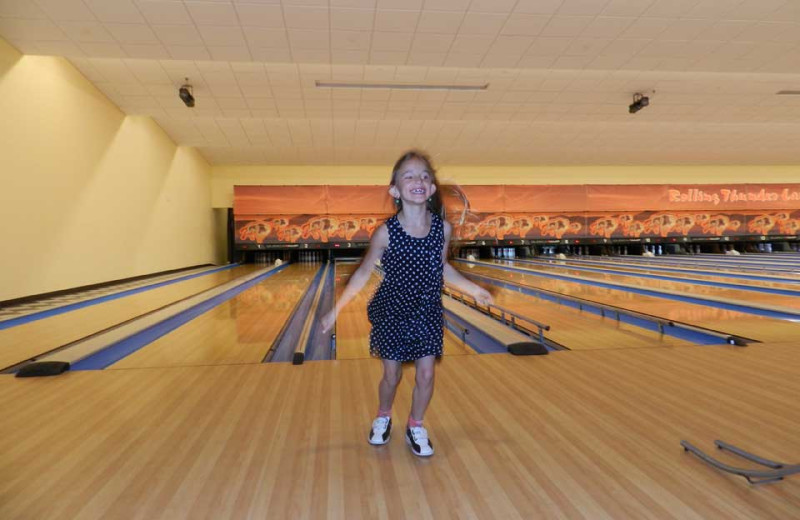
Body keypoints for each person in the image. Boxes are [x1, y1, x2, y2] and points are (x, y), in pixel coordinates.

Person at [321, 150, 493, 457]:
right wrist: (337, 309)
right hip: (392, 311)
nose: (419, 180)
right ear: (395, 190)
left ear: (430, 189)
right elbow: (363, 273)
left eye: (425, 176)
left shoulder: (443, 229)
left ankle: (416, 425)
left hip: (427, 310)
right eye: (409, 175)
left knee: (426, 374)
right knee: (392, 375)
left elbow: (442, 268)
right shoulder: (386, 232)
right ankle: (383, 416)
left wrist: (472, 288)